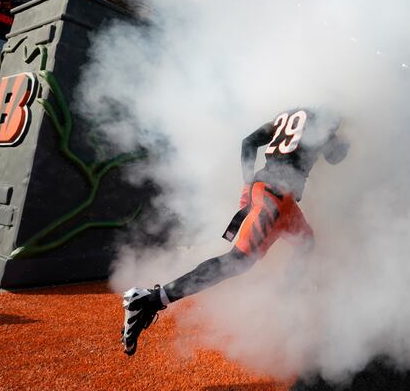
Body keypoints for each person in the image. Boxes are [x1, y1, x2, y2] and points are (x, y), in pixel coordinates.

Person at [120, 107, 350, 356]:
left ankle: (288, 299)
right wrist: (346, 139)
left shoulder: (293, 114)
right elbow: (335, 156)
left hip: (278, 197)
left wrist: (247, 182)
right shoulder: (327, 119)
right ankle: (148, 300)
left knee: (306, 242)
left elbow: (249, 142)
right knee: (238, 261)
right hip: (276, 198)